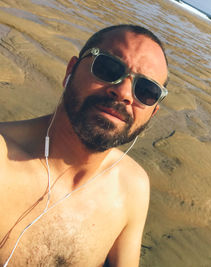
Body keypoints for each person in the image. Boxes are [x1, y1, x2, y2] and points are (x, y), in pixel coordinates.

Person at [0, 24, 168, 266]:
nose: (123, 92)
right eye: (109, 68)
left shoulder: (132, 188)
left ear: (152, 114)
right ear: (71, 70)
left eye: (146, 91)